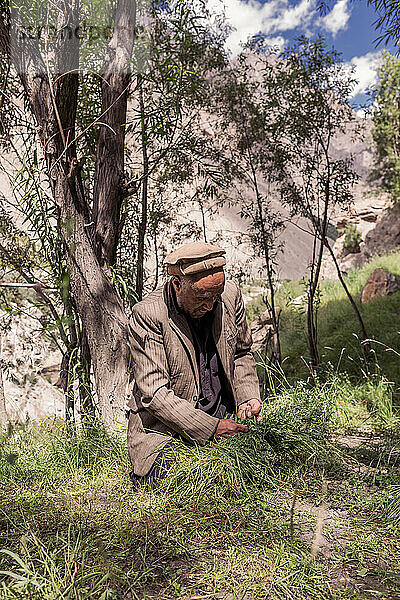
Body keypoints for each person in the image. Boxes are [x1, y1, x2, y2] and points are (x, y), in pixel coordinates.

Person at [127, 241, 262, 487]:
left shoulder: (230, 296)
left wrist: (248, 397)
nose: (210, 305)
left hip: (224, 418)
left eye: (215, 297)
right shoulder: (148, 315)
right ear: (177, 285)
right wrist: (211, 429)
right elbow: (155, 395)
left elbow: (242, 353)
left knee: (260, 465)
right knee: (190, 483)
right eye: (202, 297)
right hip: (168, 431)